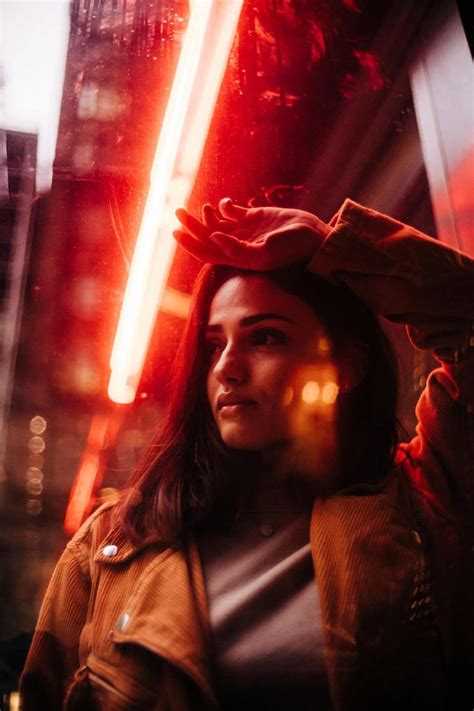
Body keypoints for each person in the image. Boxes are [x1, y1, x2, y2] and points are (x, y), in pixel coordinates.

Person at [20, 198, 473, 710]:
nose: (227, 369)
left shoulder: (422, 501)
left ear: (345, 368)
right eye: (215, 345)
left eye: (266, 338)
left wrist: (332, 245)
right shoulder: (114, 542)